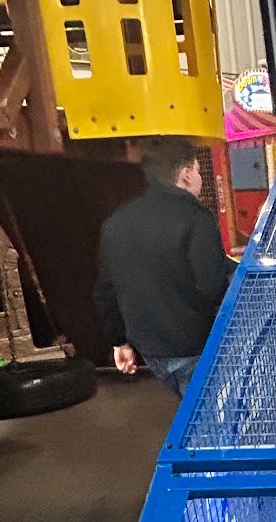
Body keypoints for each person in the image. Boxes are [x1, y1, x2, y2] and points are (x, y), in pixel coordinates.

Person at [93, 137, 233, 398]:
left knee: (191, 406)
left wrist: (119, 342)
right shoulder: (196, 218)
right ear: (186, 174)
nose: (200, 178)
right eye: (198, 171)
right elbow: (212, 286)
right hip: (195, 347)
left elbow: (106, 291)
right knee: (212, 413)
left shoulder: (116, 223)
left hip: (151, 349)